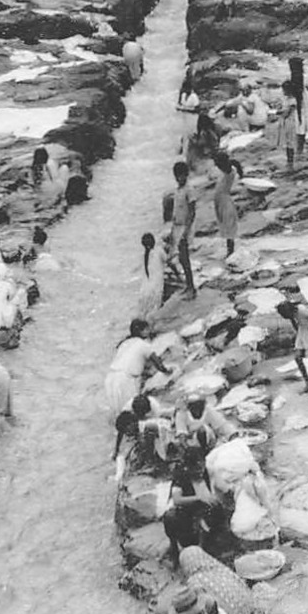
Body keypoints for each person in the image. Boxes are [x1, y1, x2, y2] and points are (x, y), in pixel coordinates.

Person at [163, 451, 228, 560]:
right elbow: (177, 500)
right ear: (188, 467)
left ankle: (210, 542)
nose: (200, 470)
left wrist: (212, 498)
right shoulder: (180, 475)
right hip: (186, 509)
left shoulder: (205, 471)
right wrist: (198, 497)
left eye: (202, 467)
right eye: (197, 468)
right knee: (171, 519)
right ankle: (174, 548)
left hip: (201, 507)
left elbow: (213, 489)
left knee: (217, 510)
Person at [105, 319, 165, 424]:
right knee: (133, 410)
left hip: (111, 378)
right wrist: (167, 371)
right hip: (125, 380)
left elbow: (129, 363)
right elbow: (159, 365)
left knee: (119, 412)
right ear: (142, 331)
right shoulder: (144, 345)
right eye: (147, 329)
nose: (149, 331)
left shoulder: (124, 343)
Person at [275, 299, 308, 396]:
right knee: (297, 357)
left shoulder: (302, 311)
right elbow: (295, 325)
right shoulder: (292, 314)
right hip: (302, 332)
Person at [164, 162, 198, 298]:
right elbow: (176, 210)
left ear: (186, 175)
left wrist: (187, 229)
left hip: (185, 226)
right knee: (182, 258)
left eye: (182, 176)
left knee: (184, 257)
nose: (180, 178)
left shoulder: (189, 190)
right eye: (177, 176)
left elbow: (192, 212)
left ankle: (191, 288)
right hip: (177, 226)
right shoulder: (178, 190)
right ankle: (188, 285)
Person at [210, 150, 244, 258]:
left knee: (229, 228)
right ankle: (229, 249)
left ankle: (230, 251)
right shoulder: (224, 173)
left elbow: (230, 167)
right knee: (225, 226)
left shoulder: (229, 173)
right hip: (221, 202)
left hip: (225, 203)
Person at [269, 79, 306, 173]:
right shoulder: (287, 99)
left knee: (290, 142)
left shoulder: (292, 100)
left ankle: (290, 163)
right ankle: (289, 162)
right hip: (286, 122)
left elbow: (286, 113)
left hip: (290, 122)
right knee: (287, 142)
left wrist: (277, 113)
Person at [136, 232, 167, 319]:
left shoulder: (144, 256)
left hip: (145, 287)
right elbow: (169, 262)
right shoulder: (159, 251)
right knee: (154, 308)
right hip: (156, 285)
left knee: (144, 310)